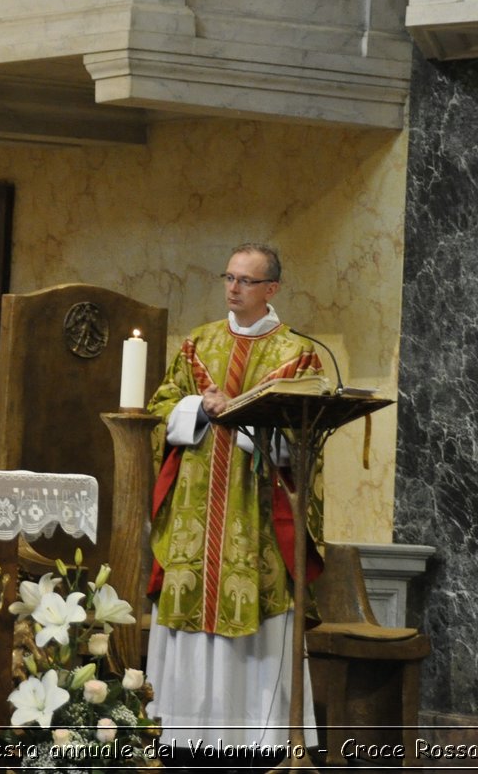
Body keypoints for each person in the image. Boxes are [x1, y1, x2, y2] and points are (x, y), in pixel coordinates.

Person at [144, 243, 322, 760]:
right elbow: (160, 408)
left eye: (246, 280)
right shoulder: (197, 344)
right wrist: (197, 405)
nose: (233, 288)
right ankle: (181, 736)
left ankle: (256, 739)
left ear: (272, 289)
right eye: (229, 277)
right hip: (195, 509)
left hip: (255, 509)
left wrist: (247, 419)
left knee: (254, 612)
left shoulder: (297, 354)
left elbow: (306, 434)